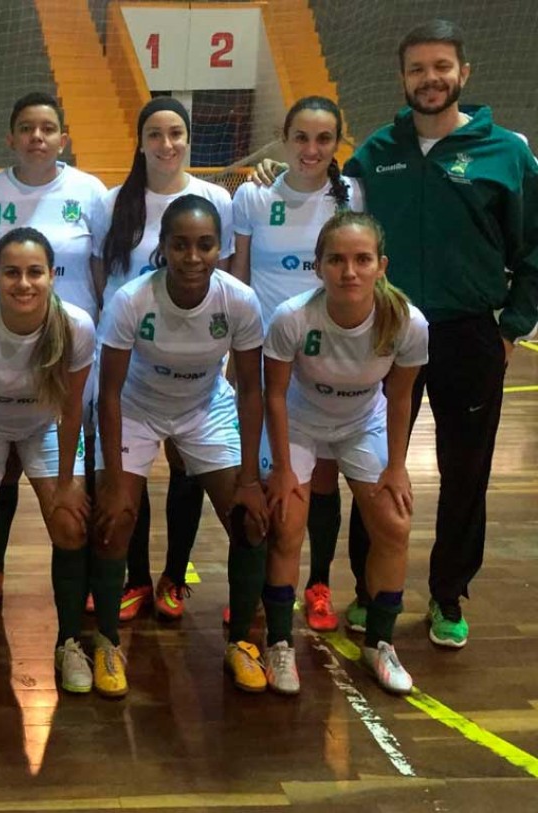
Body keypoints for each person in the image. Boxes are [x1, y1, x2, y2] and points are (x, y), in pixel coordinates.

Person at [255, 21, 538, 646]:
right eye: (417, 69)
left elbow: (535, 246)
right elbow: (330, 210)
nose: (430, 79)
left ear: (464, 74)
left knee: (466, 470)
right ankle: (367, 589)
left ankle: (446, 595)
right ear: (402, 78)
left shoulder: (507, 154)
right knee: (376, 467)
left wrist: (511, 327)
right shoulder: (377, 152)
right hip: (382, 334)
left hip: (468, 336)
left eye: (442, 67)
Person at [96, 194, 269, 693]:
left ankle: (242, 644)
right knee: (114, 519)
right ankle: (107, 645)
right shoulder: (133, 300)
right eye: (181, 245)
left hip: (203, 407)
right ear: (164, 248)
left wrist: (252, 478)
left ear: (219, 248)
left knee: (250, 519)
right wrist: (110, 478)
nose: (193, 257)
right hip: (137, 407)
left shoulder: (238, 300)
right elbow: (108, 394)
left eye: (205, 245)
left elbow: (252, 390)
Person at [262, 211, 427, 695]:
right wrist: (285, 468)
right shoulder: (292, 317)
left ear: (382, 265)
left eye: (361, 259)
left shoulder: (407, 322)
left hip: (363, 423)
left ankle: (380, 642)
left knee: (394, 524)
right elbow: (273, 395)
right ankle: (279, 644)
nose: (349, 271)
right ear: (317, 267)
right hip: (302, 423)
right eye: (336, 259)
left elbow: (400, 398)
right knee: (287, 523)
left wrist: (396, 467)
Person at [98, 96, 235, 622]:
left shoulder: (211, 199)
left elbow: (226, 272)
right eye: (155, 134)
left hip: (196, 352)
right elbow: (101, 273)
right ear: (140, 142)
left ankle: (174, 576)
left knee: (187, 464)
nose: (166, 144)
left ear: (188, 139)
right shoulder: (116, 201)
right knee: (129, 467)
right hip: (130, 357)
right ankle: (134, 576)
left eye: (175, 133)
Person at [0, 91, 107, 610]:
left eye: (47, 128)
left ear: (63, 138)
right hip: (4, 346)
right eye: (26, 128)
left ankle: (87, 572)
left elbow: (99, 267)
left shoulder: (90, 191)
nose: (37, 137)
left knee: (79, 452)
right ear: (10, 137)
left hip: (69, 346)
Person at [231, 96, 364, 633]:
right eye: (301, 138)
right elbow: (238, 278)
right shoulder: (254, 195)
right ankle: (265, 586)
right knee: (270, 479)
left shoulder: (351, 195)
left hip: (332, 361)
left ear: (337, 144)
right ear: (283, 139)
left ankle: (319, 583)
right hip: (267, 361)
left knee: (325, 477)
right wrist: (234, 357)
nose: (311, 149)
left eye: (323, 139)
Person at [0, 227, 96, 694]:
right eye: (12, 273)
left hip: (45, 423)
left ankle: (70, 642)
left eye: (35, 272)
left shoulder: (76, 326)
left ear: (53, 275)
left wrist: (70, 481)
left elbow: (72, 409)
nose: (23, 283)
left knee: (70, 523)